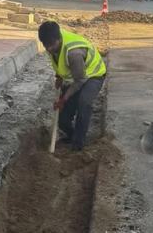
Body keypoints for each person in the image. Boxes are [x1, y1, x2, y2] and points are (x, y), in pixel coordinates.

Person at [38, 20, 107, 151]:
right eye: (45, 45)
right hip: (77, 77)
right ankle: (71, 135)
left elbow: (80, 80)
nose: (48, 49)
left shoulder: (73, 53)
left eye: (51, 45)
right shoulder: (51, 43)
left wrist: (64, 99)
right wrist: (59, 76)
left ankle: (78, 144)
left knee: (83, 102)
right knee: (63, 117)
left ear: (58, 39)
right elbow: (60, 64)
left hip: (93, 75)